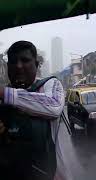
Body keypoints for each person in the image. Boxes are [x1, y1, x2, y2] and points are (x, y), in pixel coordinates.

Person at [0, 41, 69, 180]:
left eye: (25, 60)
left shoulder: (50, 85)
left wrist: (5, 94)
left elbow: (54, 106)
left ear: (36, 65)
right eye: (13, 62)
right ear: (7, 67)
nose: (18, 66)